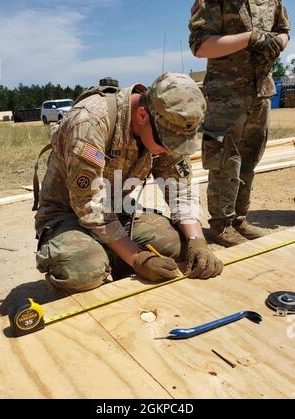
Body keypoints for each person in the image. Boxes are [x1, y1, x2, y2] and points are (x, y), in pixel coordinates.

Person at [34, 72, 223, 292]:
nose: (170, 150)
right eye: (167, 142)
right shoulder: (90, 122)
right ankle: (103, 256)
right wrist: (137, 259)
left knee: (179, 246)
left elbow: (180, 189)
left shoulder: (166, 124)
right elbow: (90, 207)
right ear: (142, 114)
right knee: (84, 270)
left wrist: (197, 240)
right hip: (68, 215)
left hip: (117, 210)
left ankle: (113, 253)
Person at [189, 0, 290, 247]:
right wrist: (250, 38)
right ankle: (221, 224)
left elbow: (284, 31)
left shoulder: (273, 0)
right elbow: (200, 46)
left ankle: (239, 220)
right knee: (225, 161)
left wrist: (278, 43)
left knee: (249, 159)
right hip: (226, 94)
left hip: (261, 92)